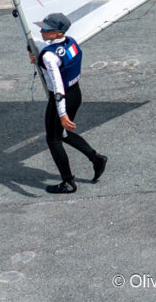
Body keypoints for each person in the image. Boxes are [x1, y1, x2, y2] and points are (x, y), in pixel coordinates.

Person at [29, 13, 107, 194]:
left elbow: (58, 87)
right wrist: (35, 54)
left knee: (53, 139)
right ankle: (96, 159)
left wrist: (62, 113)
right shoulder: (71, 42)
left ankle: (68, 182)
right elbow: (54, 55)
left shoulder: (49, 57)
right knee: (63, 134)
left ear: (57, 33)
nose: (41, 30)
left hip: (62, 99)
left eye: (46, 29)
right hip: (76, 94)